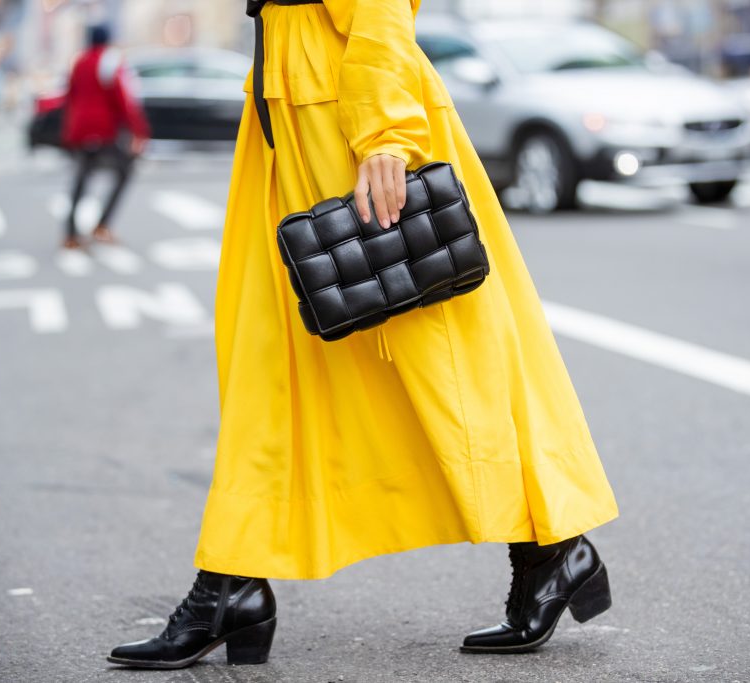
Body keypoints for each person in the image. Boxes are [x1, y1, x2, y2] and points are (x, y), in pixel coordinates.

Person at [107, 0, 618, 669]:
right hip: (291, 115)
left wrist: (384, 133)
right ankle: (233, 578)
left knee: (439, 350)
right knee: (271, 354)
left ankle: (552, 546)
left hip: (344, 116)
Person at [60, 25, 149, 249]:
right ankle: (102, 225)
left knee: (81, 179)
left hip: (80, 130)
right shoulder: (110, 61)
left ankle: (70, 234)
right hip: (103, 130)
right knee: (124, 171)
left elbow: (70, 97)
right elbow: (123, 99)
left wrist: (69, 129)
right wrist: (139, 132)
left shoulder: (78, 62)